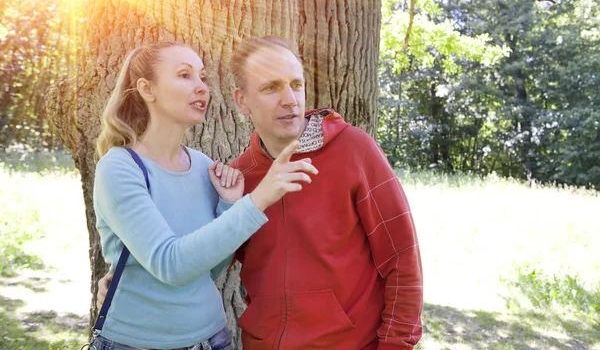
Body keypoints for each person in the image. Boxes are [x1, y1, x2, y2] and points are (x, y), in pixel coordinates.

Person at [98, 37, 423, 349]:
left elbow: (402, 258)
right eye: (270, 87)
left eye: (296, 85)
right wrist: (131, 280)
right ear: (242, 101)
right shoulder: (241, 175)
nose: (290, 99)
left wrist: (396, 344)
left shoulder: (354, 151)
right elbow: (196, 263)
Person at [91, 41, 318, 350]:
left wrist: (229, 204)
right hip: (138, 343)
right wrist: (258, 199)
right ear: (147, 88)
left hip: (213, 340)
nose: (201, 87)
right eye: (185, 75)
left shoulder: (203, 167)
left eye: (202, 77)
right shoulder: (118, 168)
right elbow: (171, 265)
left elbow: (209, 270)